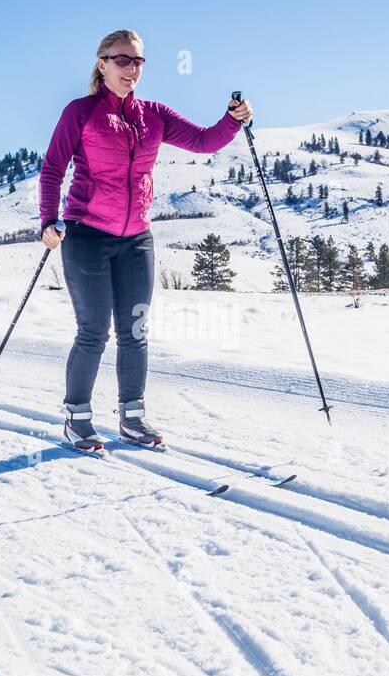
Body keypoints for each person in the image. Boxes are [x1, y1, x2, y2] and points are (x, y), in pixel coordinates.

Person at [39, 28, 252, 452]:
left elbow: (204, 141)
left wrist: (232, 120)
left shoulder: (153, 114)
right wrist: (49, 219)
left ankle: (131, 417)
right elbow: (52, 169)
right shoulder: (79, 112)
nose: (131, 69)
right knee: (94, 331)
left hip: (137, 238)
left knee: (134, 330)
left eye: (138, 62)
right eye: (123, 60)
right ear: (102, 65)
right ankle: (77, 417)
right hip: (86, 235)